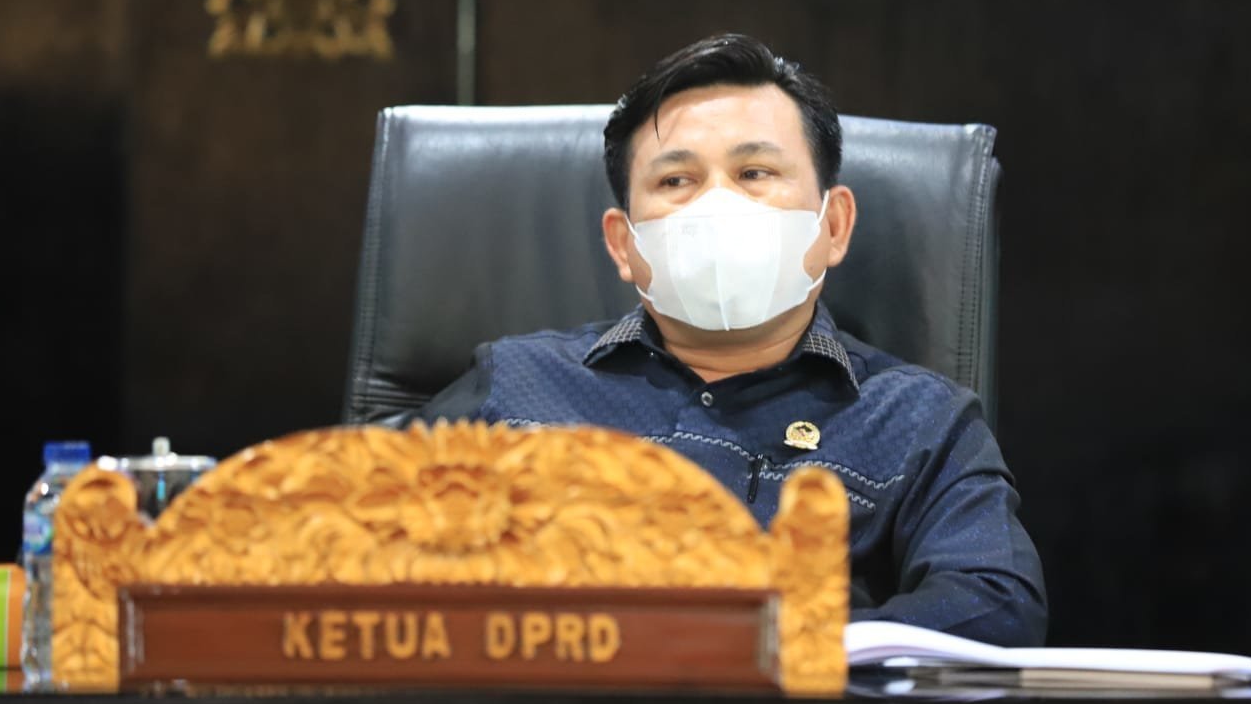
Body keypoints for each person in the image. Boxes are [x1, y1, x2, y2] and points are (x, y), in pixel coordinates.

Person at [396, 33, 1046, 645]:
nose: (717, 206)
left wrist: (775, 646)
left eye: (755, 172)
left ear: (834, 226)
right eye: (675, 180)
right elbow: (357, 535)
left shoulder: (918, 420)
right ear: (622, 245)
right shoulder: (515, 383)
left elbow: (995, 601)